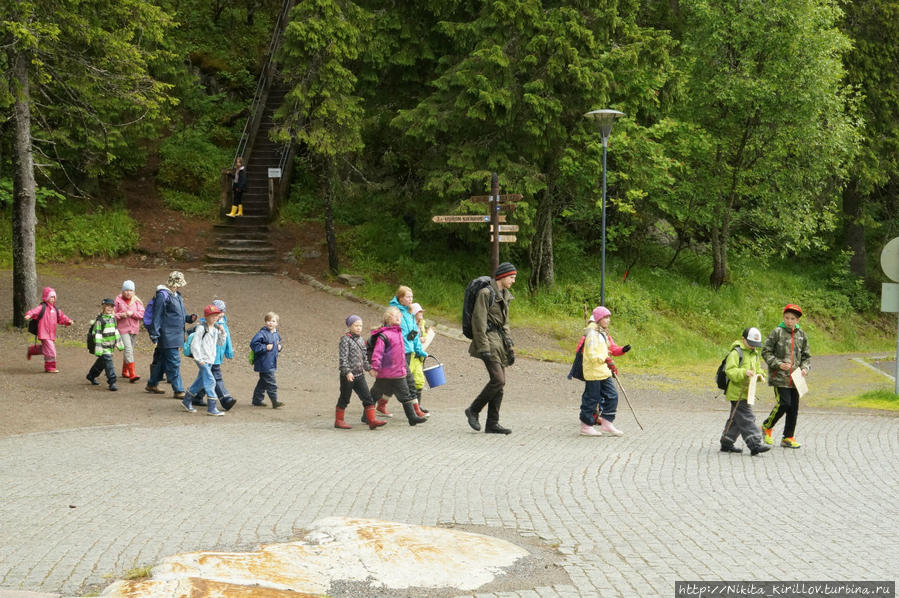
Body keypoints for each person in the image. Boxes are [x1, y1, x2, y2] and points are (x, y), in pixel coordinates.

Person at [464, 262, 517, 434]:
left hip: (499, 342)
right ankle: (473, 409)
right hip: (488, 340)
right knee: (498, 380)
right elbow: (478, 322)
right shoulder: (486, 293)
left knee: (500, 384)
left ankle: (492, 423)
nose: (513, 281)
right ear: (502, 276)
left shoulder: (505, 294)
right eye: (511, 277)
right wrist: (483, 347)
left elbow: (505, 323)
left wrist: (509, 345)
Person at [761, 304, 811, 449]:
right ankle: (766, 426)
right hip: (780, 377)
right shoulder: (777, 332)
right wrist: (777, 364)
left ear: (798, 320)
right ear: (783, 317)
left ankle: (788, 437)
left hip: (796, 378)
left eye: (793, 318)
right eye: (787, 318)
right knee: (784, 403)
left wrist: (804, 368)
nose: (789, 321)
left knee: (793, 408)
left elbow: (806, 356)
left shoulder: (802, 335)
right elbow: (766, 351)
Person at [370, 307, 427, 426]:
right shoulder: (384, 335)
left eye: (399, 316)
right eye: (395, 316)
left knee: (405, 395)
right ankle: (366, 416)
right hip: (386, 373)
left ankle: (412, 418)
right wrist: (375, 367)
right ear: (388, 318)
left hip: (399, 372)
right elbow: (378, 353)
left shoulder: (399, 332)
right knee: (375, 394)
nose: (398, 318)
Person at [145, 271, 197, 398]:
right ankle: (178, 390)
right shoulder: (163, 296)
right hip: (167, 335)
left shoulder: (177, 295)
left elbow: (179, 315)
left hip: (175, 334)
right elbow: (157, 316)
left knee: (163, 360)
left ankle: (152, 384)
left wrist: (189, 318)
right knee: (174, 361)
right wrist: (154, 334)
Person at [720, 327, 771, 455]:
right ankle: (755, 444)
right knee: (747, 418)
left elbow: (758, 370)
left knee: (737, 419)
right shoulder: (736, 353)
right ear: (743, 339)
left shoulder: (754, 354)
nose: (753, 347)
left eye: (756, 345)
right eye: (751, 344)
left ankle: (726, 442)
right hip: (737, 392)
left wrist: (760, 376)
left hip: (748, 392)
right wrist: (744, 372)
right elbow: (730, 371)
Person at [577, 306, 624, 437]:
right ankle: (586, 426)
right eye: (605, 317)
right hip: (593, 372)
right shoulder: (592, 334)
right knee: (591, 398)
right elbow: (591, 355)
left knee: (612, 395)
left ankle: (607, 423)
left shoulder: (602, 332)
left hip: (603, 371)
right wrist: (606, 359)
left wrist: (608, 361)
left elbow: (607, 350)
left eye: (609, 317)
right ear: (598, 319)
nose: (608, 320)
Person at [336, 315, 385, 430]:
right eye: (356, 325)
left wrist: (370, 369)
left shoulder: (361, 340)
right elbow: (343, 359)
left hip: (359, 375)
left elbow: (364, 358)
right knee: (345, 398)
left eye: (360, 326)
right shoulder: (345, 340)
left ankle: (372, 420)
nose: (359, 328)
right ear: (349, 326)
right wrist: (347, 372)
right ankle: (339, 420)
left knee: (367, 397)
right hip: (348, 376)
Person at [388, 286, 429, 419]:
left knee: (394, 383)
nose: (410, 299)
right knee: (406, 382)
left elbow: (414, 335)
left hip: (410, 352)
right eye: (407, 297)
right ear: (400, 298)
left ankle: (378, 406)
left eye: (411, 297)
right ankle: (414, 413)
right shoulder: (395, 312)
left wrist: (420, 351)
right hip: (399, 353)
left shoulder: (410, 312)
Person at [183, 304, 228, 416]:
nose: (214, 318)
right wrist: (199, 359)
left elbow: (220, 343)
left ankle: (186, 400)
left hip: (210, 359)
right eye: (212, 316)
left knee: (200, 382)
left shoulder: (216, 328)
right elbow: (195, 344)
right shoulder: (202, 328)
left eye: (216, 316)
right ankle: (212, 407)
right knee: (210, 380)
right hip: (202, 359)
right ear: (206, 316)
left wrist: (223, 333)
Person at [191, 300, 236, 410]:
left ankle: (195, 396)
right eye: (218, 312)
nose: (220, 314)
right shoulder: (205, 325)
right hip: (208, 357)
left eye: (222, 312)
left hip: (216, 356)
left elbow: (227, 339)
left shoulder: (223, 323)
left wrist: (229, 351)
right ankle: (225, 399)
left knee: (204, 378)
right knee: (215, 377)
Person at [24, 286, 73, 373]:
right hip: (43, 332)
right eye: (51, 297)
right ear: (46, 297)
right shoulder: (42, 307)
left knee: (46, 348)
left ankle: (32, 350)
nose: (53, 299)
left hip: (51, 333)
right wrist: (29, 314)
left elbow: (62, 317)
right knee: (51, 350)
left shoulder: (56, 310)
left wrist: (68, 321)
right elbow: (34, 311)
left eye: (54, 297)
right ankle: (50, 367)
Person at [86, 299, 125, 391]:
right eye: (107, 306)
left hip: (110, 346)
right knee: (109, 363)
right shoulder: (100, 320)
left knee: (102, 362)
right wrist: (99, 348)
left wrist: (119, 344)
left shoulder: (112, 319)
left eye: (111, 306)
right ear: (103, 307)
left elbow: (115, 331)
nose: (109, 308)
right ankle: (112, 381)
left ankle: (91, 375)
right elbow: (97, 335)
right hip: (103, 346)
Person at [250, 312, 283, 408]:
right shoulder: (262, 334)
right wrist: (265, 347)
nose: (271, 323)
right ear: (265, 322)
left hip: (271, 361)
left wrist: (280, 347)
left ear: (277, 323)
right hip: (264, 362)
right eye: (268, 321)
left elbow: (279, 343)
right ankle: (275, 401)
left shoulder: (276, 334)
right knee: (271, 382)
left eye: (273, 321)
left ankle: (257, 400)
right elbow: (253, 344)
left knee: (263, 382)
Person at [114, 280, 144, 383]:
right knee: (128, 349)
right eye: (126, 290)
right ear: (122, 291)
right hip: (122, 329)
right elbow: (112, 314)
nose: (128, 292)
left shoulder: (137, 301)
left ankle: (124, 371)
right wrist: (121, 315)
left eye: (131, 290)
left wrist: (132, 313)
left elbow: (142, 314)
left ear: (134, 291)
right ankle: (132, 374)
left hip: (134, 328)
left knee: (130, 349)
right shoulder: (117, 300)